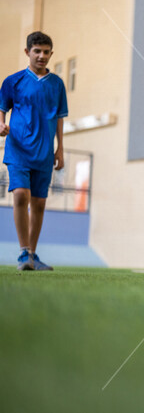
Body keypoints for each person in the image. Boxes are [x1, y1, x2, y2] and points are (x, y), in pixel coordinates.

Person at [0, 31, 67, 271]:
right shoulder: (12, 81)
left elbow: (59, 119)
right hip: (18, 149)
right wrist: (1, 124)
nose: (41, 56)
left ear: (51, 54)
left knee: (38, 203)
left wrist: (60, 149)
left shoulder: (57, 84)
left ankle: (32, 255)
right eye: (36, 51)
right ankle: (22, 253)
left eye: (46, 52)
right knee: (20, 195)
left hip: (45, 153)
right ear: (27, 52)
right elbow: (2, 109)